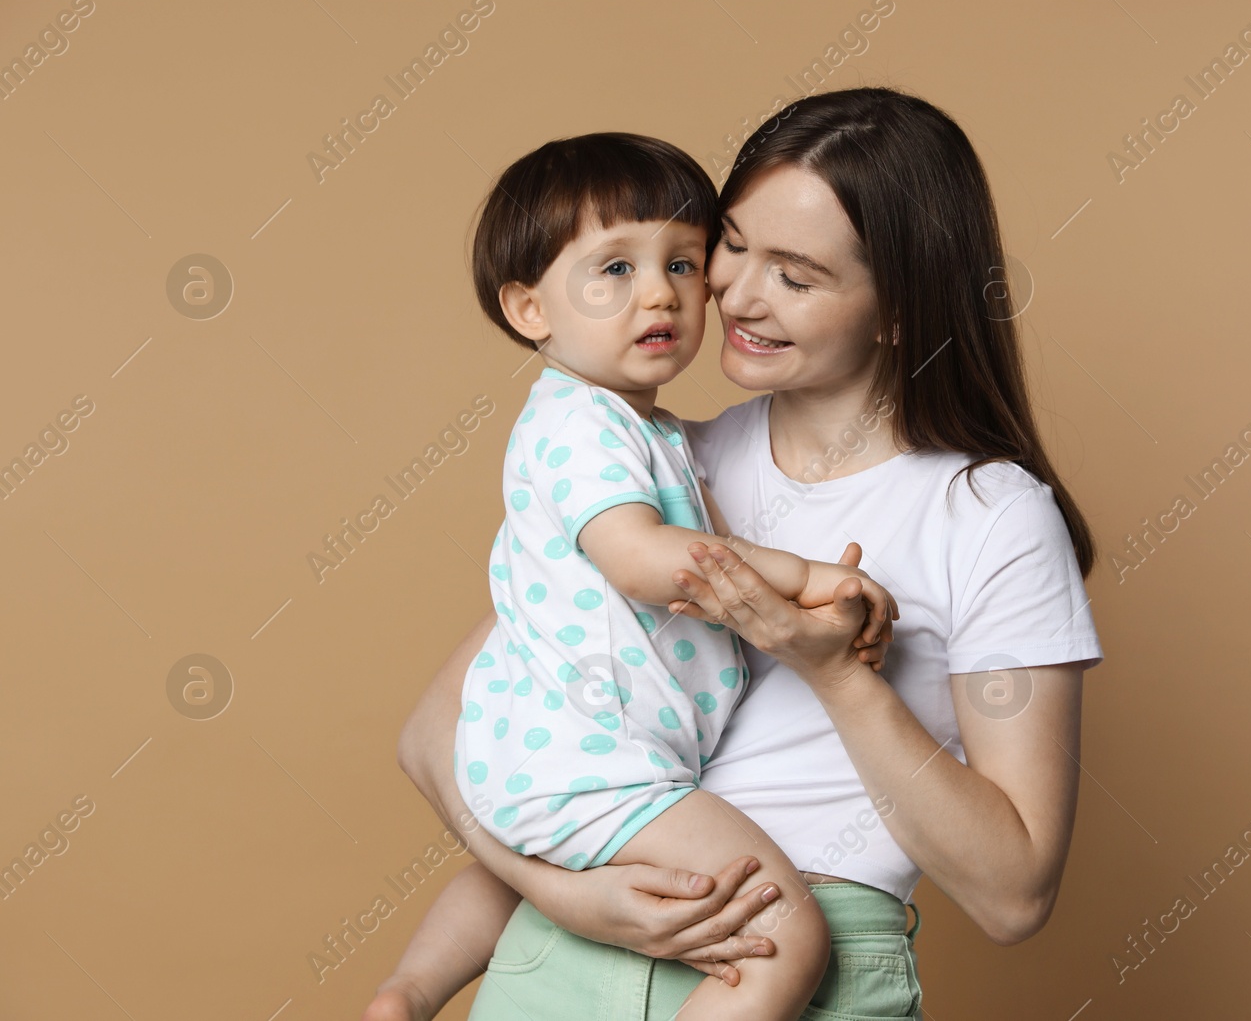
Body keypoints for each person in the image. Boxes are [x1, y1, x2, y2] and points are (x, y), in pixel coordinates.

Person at [378, 86, 1105, 1021]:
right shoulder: (666, 461)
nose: (732, 294)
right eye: (731, 245)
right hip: (559, 958)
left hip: (802, 964)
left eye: (796, 277)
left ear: (900, 312)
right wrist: (568, 895)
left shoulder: (990, 516)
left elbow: (1015, 894)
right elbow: (435, 735)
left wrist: (839, 676)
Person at [368, 131, 900, 1021]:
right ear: (530, 309)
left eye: (684, 264)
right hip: (596, 758)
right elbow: (645, 559)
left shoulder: (649, 430)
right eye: (613, 269)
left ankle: (409, 992)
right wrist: (806, 576)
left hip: (560, 752)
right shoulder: (583, 425)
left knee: (521, 880)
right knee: (789, 936)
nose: (659, 291)